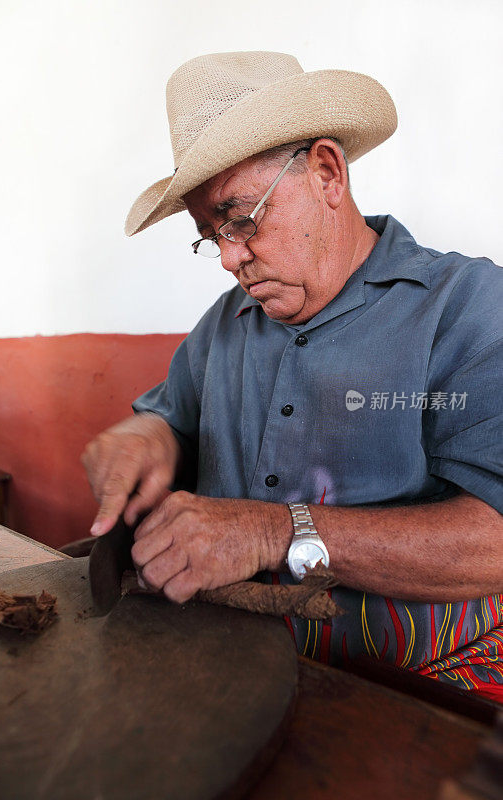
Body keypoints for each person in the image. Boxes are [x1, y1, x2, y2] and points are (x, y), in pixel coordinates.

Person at [82, 51, 503, 700]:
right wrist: (147, 437)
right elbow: (171, 419)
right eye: (209, 235)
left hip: (415, 691)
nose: (228, 258)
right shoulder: (225, 323)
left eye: (241, 218)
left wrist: (273, 530)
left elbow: (493, 541)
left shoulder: (468, 304)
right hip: (226, 671)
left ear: (326, 173)